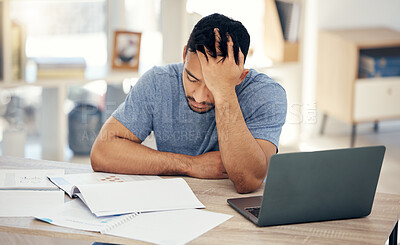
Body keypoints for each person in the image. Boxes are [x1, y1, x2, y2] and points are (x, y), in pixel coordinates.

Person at [90, 13, 287, 193]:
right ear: (184, 56)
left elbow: (249, 181)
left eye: (211, 85)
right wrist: (190, 165)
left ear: (240, 76)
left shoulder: (265, 94)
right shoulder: (159, 82)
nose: (200, 97)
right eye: (192, 79)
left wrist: (225, 93)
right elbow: (102, 152)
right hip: (174, 202)